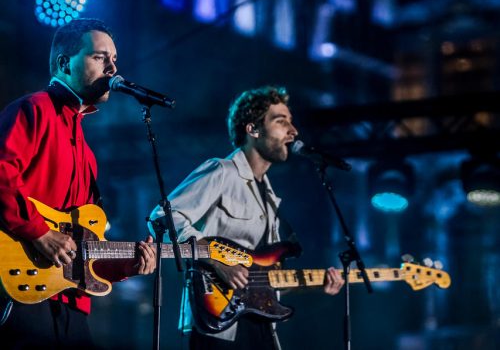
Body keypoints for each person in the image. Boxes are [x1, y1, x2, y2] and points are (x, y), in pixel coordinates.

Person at [0, 18, 156, 349]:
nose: (113, 68)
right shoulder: (35, 109)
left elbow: (84, 246)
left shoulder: (86, 151)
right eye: (101, 57)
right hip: (22, 294)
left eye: (114, 59)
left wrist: (128, 264)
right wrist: (39, 231)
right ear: (63, 63)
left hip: (71, 304)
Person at [150, 85, 344, 350]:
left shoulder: (269, 196)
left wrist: (316, 284)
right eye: (281, 121)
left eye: (292, 121)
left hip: (260, 327)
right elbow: (163, 218)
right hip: (218, 324)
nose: (293, 130)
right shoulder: (222, 171)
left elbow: (262, 278)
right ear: (252, 130)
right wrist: (216, 259)